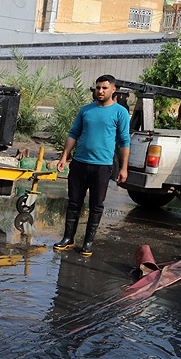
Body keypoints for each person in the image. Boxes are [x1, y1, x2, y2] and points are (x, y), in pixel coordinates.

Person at [53, 74, 130, 257]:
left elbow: (124, 141)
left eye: (104, 88)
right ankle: (68, 239)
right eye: (98, 88)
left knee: (96, 205)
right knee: (73, 203)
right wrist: (65, 156)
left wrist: (124, 167)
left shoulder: (120, 113)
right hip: (79, 163)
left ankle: (88, 242)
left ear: (113, 89)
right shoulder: (86, 110)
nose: (100, 91)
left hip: (102, 167)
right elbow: (73, 133)